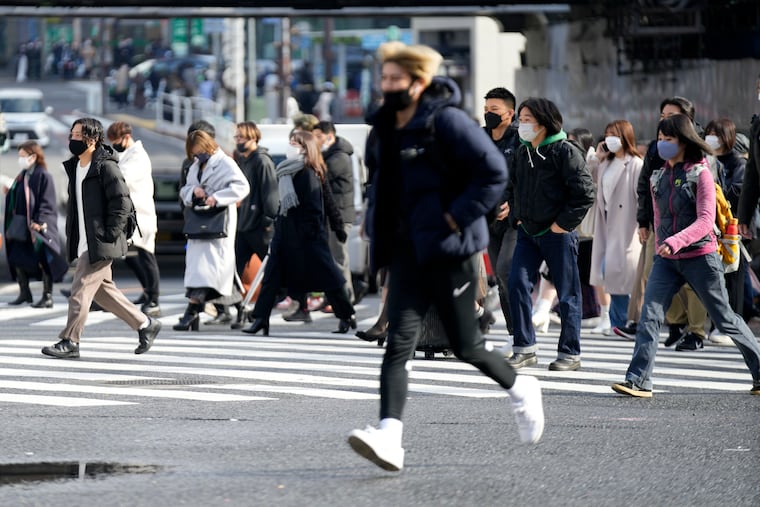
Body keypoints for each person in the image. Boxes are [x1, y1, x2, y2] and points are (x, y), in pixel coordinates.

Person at [347, 42, 544, 473]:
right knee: (399, 342)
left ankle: (521, 386)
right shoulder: (383, 128)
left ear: (418, 82)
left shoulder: (447, 121)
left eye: (396, 80)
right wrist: (377, 236)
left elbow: (493, 173)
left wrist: (456, 217)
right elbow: (382, 185)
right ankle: (390, 437)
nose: (387, 86)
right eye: (384, 79)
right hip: (406, 249)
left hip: (450, 249)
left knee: (465, 345)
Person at [611, 114, 760, 397]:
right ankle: (638, 379)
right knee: (650, 316)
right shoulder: (658, 175)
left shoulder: (701, 173)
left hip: (700, 258)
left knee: (725, 318)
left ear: (684, 141)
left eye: (669, 139)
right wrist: (659, 246)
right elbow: (657, 215)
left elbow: (706, 220)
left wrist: (675, 241)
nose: (662, 144)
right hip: (667, 260)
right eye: (660, 138)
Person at [41, 118, 161, 359]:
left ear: (92, 139)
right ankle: (145, 324)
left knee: (80, 289)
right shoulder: (75, 167)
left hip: (100, 242)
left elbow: (122, 202)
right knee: (104, 293)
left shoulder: (106, 167)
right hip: (86, 240)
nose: (72, 139)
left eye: (77, 135)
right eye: (71, 134)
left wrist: (109, 234)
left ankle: (70, 340)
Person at [505, 97, 595, 371]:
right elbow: (514, 187)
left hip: (558, 233)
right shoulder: (521, 150)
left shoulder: (564, 150)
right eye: (520, 118)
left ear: (544, 122)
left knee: (568, 293)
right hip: (527, 231)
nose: (522, 124)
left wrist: (562, 225)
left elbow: (585, 193)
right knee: (517, 284)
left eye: (527, 119)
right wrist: (516, 217)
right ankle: (524, 347)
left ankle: (570, 353)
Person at [242, 131, 356, 336]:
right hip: (285, 235)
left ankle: (346, 315)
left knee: (329, 278)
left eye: (295, 143)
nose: (290, 146)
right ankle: (261, 319)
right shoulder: (286, 171)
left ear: (305, 148)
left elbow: (318, 206)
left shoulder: (309, 173)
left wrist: (335, 228)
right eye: (290, 142)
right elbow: (284, 205)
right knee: (271, 276)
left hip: (308, 238)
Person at [614, 96, 702, 341]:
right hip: (660, 223)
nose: (665, 122)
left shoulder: (698, 148)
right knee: (653, 273)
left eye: (671, 117)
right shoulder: (656, 147)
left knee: (691, 281)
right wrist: (643, 221)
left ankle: (696, 331)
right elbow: (644, 185)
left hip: (691, 227)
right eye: (662, 117)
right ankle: (674, 324)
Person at [174, 130, 250, 331]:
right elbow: (185, 190)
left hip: (219, 220)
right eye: (194, 152)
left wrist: (217, 197)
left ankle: (190, 312)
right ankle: (241, 308)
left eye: (199, 150)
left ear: (208, 146)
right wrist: (194, 192)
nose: (198, 155)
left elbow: (242, 186)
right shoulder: (195, 166)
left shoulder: (225, 163)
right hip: (200, 220)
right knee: (212, 271)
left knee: (211, 269)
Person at [587, 120, 643, 334]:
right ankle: (618, 322)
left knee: (624, 275)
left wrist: (641, 224)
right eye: (607, 133)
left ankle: (630, 320)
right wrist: (597, 159)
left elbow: (641, 198)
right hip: (607, 222)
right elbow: (591, 181)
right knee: (608, 273)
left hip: (628, 224)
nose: (609, 138)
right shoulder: (605, 163)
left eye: (615, 134)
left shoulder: (635, 163)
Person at [106, 121, 162, 317]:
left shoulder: (138, 157)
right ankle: (147, 291)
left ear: (127, 137)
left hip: (142, 214)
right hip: (131, 216)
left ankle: (154, 298)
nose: (115, 144)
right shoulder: (127, 155)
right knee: (130, 257)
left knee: (146, 255)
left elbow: (123, 178)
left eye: (116, 141)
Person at [4, 141, 68, 308]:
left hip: (38, 227)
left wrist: (40, 222)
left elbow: (47, 202)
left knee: (44, 260)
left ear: (34, 156)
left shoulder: (43, 175)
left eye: (23, 156)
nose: (21, 159)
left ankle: (47, 296)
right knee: (16, 257)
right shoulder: (23, 175)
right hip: (22, 226)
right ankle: (25, 292)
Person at [230, 121, 279, 327]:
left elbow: (270, 193)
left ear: (254, 137)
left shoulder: (261, 161)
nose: (239, 141)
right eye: (237, 137)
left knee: (274, 269)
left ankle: (294, 302)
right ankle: (241, 308)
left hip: (259, 226)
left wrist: (268, 219)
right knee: (232, 270)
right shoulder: (245, 160)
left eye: (242, 137)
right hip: (244, 225)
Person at [483, 87, 520, 350]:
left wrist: (514, 205)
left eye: (494, 110)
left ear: (510, 113)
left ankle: (521, 334)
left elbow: (528, 179)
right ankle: (513, 334)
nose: (489, 115)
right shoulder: (479, 138)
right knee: (501, 280)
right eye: (486, 110)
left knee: (508, 272)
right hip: (487, 220)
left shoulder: (519, 139)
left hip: (515, 221)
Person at [313, 120, 356, 305]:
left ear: (329, 136)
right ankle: (335, 299)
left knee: (339, 259)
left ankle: (346, 298)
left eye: (318, 137)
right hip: (331, 214)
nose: (316, 140)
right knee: (331, 259)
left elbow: (322, 174)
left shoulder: (339, 157)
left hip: (339, 216)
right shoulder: (331, 154)